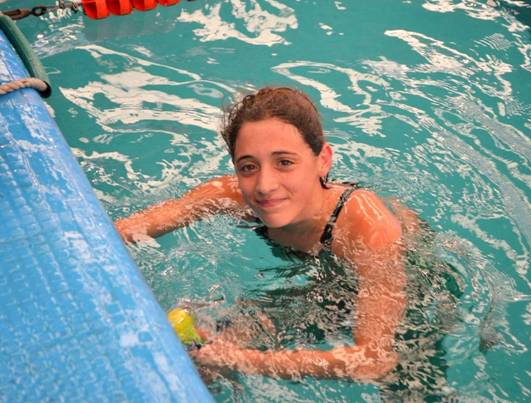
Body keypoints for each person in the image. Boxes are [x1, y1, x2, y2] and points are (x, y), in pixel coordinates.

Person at [115, 87, 414, 382]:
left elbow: (374, 361)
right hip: (320, 285)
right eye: (248, 167)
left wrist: (243, 360)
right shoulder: (231, 196)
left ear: (323, 160)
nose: (264, 185)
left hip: (410, 293)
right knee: (205, 361)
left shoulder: (368, 227)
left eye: (284, 162)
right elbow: (121, 232)